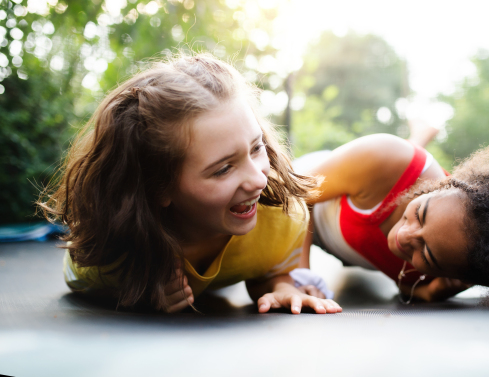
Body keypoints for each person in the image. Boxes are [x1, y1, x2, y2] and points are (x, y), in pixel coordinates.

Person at [37, 53, 342, 314]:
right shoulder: (113, 259)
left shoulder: (282, 220)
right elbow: (77, 275)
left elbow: (269, 268)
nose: (258, 178)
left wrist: (282, 285)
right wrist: (135, 292)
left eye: (256, 148)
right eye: (223, 169)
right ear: (158, 186)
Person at [294, 133, 489, 303]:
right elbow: (290, 195)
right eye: (421, 213)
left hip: (348, 235)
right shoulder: (385, 157)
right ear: (449, 183)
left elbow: (404, 284)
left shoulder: (454, 253)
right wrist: (297, 275)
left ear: (464, 275)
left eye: (425, 253)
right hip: (310, 192)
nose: (404, 237)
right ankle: (418, 134)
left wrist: (428, 292)